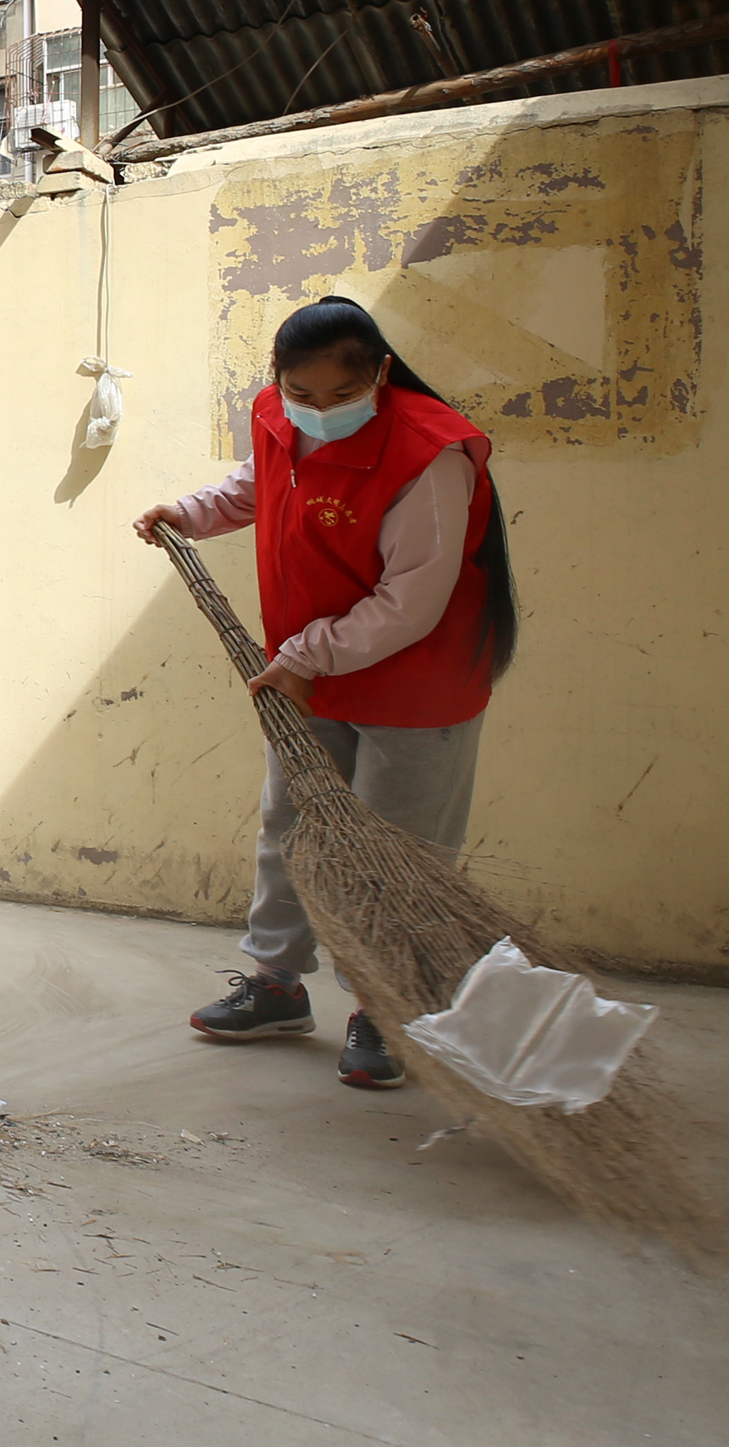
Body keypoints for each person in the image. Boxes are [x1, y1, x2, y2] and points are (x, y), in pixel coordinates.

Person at [136, 296, 519, 1091]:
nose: (318, 411)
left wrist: (306, 655)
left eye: (342, 395)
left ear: (381, 373)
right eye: (301, 394)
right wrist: (192, 513)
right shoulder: (278, 415)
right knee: (292, 826)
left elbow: (411, 600)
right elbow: (264, 484)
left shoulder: (429, 454)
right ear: (278, 380)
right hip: (307, 674)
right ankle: (276, 983)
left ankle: (389, 1010)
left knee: (397, 857)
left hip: (415, 684)